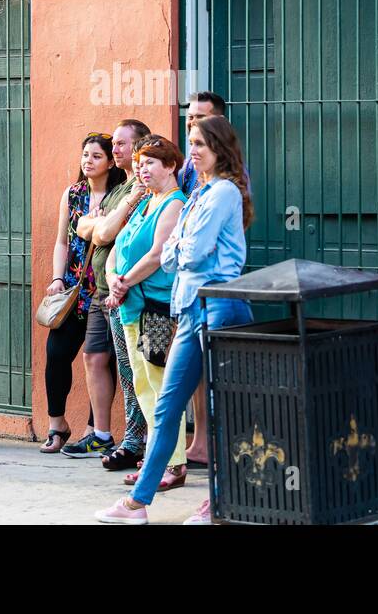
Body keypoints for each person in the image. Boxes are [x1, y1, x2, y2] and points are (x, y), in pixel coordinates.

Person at [96, 115, 254, 525]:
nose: (194, 150)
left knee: (211, 409)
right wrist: (180, 247)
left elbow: (192, 252)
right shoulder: (200, 194)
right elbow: (170, 254)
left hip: (215, 306)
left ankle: (211, 503)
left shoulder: (221, 194)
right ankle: (141, 503)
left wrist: (180, 246)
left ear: (220, 148)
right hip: (191, 310)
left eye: (201, 143)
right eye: (192, 143)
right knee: (168, 408)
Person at [104, 136, 189, 491]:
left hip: (155, 309)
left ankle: (175, 462)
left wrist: (122, 283)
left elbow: (157, 255)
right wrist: (113, 280)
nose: (142, 167)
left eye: (151, 161)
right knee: (142, 385)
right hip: (129, 307)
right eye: (139, 161)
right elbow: (114, 250)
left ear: (170, 166)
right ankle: (156, 458)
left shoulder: (173, 203)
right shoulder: (143, 204)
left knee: (160, 383)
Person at [174, 91, 250, 466]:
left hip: (212, 284)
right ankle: (199, 441)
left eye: (201, 118)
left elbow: (198, 242)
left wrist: (184, 247)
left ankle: (212, 446)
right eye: (189, 118)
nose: (192, 123)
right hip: (186, 286)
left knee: (214, 374)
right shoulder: (190, 167)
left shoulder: (226, 182)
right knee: (193, 375)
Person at [39, 133, 125, 455]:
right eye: (84, 155)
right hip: (73, 291)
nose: (87, 161)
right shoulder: (72, 194)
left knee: (101, 359)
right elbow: (62, 241)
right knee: (57, 353)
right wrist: (57, 278)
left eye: (96, 156)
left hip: (102, 290)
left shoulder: (118, 197)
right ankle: (56, 424)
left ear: (110, 162)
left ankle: (94, 428)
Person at [82, 121, 152, 467]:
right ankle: (131, 440)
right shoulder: (116, 188)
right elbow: (87, 229)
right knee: (126, 370)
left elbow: (106, 231)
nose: (117, 150)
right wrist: (99, 226)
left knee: (138, 370)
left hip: (132, 292)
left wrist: (100, 225)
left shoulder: (142, 189)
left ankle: (140, 442)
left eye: (123, 144)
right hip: (106, 290)